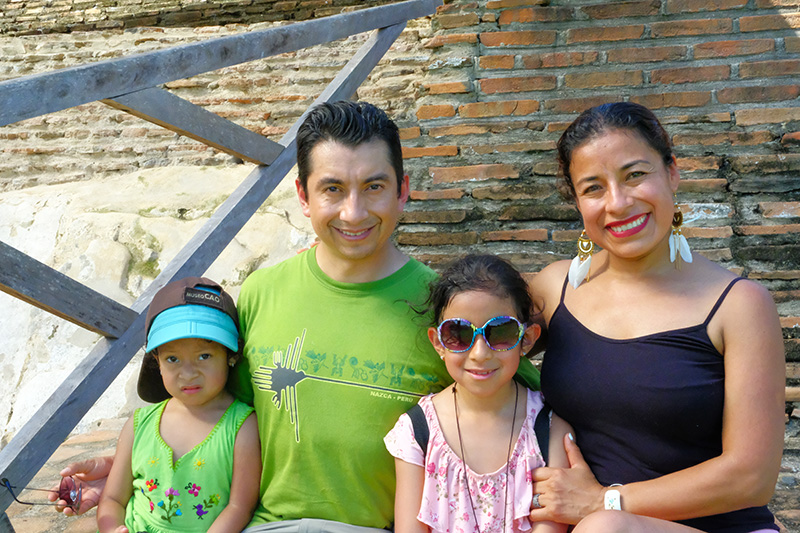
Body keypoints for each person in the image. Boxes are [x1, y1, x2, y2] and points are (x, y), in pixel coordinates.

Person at [52, 101, 541, 531]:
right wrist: (134, 472)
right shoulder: (262, 293)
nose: (353, 212)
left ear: (402, 191)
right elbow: (215, 414)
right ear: (303, 197)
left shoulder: (447, 312)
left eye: (373, 186)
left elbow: (524, 414)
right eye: (333, 189)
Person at [527, 102, 785, 532]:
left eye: (635, 175)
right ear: (577, 202)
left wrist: (603, 502)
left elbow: (751, 478)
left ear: (672, 173)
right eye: (593, 188)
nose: (618, 203)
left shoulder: (740, 305)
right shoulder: (556, 289)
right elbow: (472, 353)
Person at [386, 255, 570, 533]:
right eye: (459, 333)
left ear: (527, 339)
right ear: (438, 342)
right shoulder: (417, 432)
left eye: (500, 332)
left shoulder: (550, 428)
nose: (480, 353)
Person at [96, 277, 261, 533]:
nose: (188, 373)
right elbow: (113, 499)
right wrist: (111, 528)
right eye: (172, 359)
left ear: (231, 355)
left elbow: (239, 507)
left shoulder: (242, 427)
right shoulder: (139, 425)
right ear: (157, 361)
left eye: (204, 356)